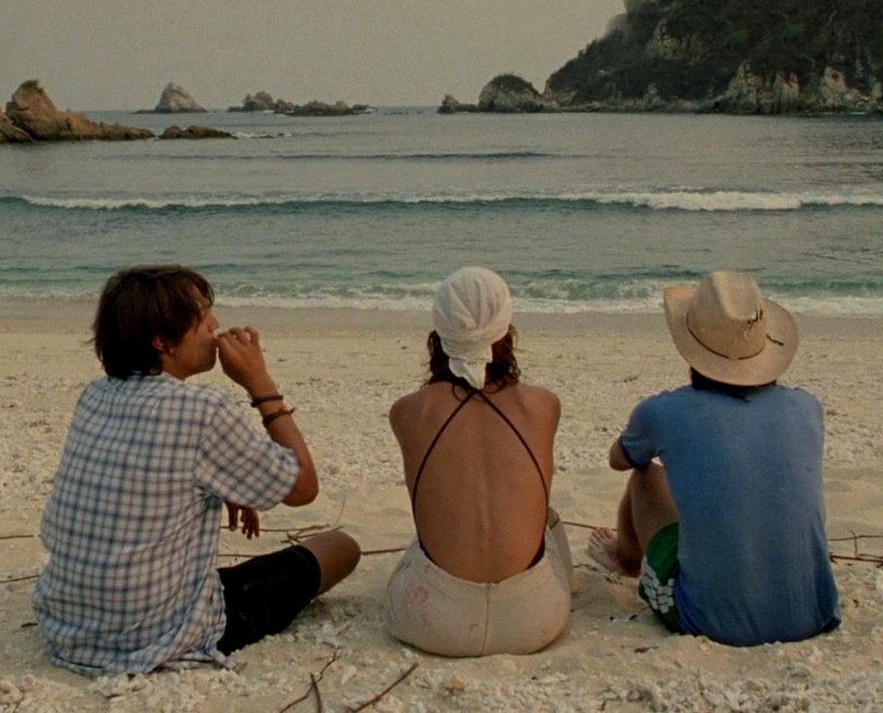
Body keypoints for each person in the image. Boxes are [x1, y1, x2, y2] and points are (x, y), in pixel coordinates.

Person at [32, 265, 360, 674]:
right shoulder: (202, 409)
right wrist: (260, 384)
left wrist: (226, 487)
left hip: (71, 623)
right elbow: (302, 488)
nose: (215, 324)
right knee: (341, 547)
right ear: (161, 340)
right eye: (202, 315)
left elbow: (149, 468)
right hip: (156, 633)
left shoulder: (97, 393)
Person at [587, 270, 840, 646]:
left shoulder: (664, 412)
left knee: (644, 475)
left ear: (690, 348)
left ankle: (627, 559)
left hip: (710, 621)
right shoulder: (806, 407)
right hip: (812, 614)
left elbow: (619, 459)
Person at [385, 266, 571, 656]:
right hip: (535, 619)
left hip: (433, 621)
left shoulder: (407, 412)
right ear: (507, 331)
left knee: (426, 534)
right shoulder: (543, 405)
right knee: (547, 518)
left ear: (436, 335)